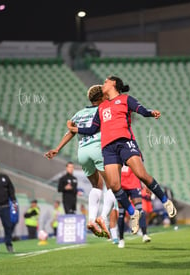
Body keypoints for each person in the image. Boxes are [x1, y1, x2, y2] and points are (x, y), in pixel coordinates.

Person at [67, 76, 177, 234]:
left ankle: (166, 201)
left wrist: (152, 113)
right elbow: (92, 129)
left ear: (113, 84)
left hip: (125, 142)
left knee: (141, 174)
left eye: (106, 81)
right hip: (108, 148)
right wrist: (75, 130)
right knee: (114, 186)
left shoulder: (125, 99)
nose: (103, 84)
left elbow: (142, 111)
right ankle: (133, 213)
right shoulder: (102, 107)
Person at [45, 85, 117, 237]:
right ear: (100, 99)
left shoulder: (79, 113)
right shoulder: (103, 109)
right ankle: (102, 218)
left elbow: (70, 131)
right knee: (113, 186)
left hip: (83, 152)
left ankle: (91, 220)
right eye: (105, 96)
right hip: (98, 148)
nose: (107, 97)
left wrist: (57, 148)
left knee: (96, 185)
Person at [118, 165, 151, 249]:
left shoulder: (135, 153)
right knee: (121, 213)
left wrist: (146, 184)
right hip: (121, 186)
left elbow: (140, 170)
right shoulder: (116, 155)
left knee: (140, 210)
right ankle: (121, 239)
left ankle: (144, 235)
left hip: (134, 185)